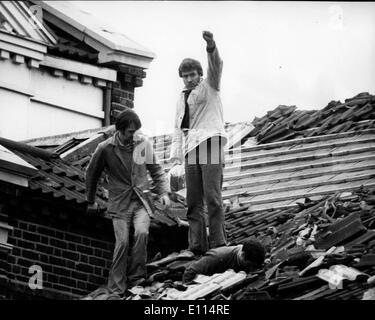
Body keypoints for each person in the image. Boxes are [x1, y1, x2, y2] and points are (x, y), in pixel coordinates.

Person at [85, 109, 171, 296]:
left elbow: (157, 170)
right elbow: (91, 175)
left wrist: (164, 192)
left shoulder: (143, 144)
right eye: (131, 132)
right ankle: (116, 287)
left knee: (142, 233)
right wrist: (91, 200)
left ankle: (137, 278)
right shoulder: (105, 148)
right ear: (121, 130)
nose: (135, 135)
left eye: (136, 131)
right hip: (120, 203)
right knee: (122, 242)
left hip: (141, 201)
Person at [170, 30, 227, 255]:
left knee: (212, 196)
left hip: (211, 142)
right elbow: (177, 128)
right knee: (193, 200)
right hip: (190, 149)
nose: (189, 79)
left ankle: (218, 243)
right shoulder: (181, 98)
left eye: (193, 74)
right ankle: (196, 245)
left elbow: (216, 66)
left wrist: (211, 46)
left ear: (199, 74)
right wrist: (175, 159)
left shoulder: (210, 86)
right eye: (185, 76)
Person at [182, 239, 266, 283]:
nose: (250, 269)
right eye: (249, 265)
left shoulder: (251, 257)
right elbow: (190, 272)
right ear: (242, 255)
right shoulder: (218, 257)